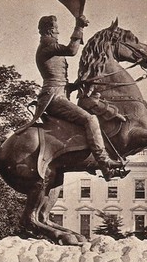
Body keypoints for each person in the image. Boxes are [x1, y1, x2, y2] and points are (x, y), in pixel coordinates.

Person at [35, 14, 124, 180]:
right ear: (50, 30)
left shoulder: (49, 47)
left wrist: (77, 84)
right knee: (90, 120)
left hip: (60, 92)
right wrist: (79, 26)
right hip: (54, 97)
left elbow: (59, 79)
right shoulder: (47, 45)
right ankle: (104, 162)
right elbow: (72, 50)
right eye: (56, 29)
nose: (58, 32)